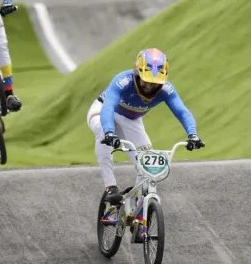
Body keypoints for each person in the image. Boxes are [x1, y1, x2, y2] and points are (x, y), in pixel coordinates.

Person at [87, 48, 204, 240]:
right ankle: (110, 187)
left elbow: (182, 111)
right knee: (102, 133)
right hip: (103, 112)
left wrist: (193, 135)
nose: (149, 86)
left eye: (155, 83)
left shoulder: (166, 89)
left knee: (147, 164)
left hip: (132, 120)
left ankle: (138, 218)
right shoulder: (122, 81)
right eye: (146, 80)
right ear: (137, 73)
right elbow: (108, 107)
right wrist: (109, 132)